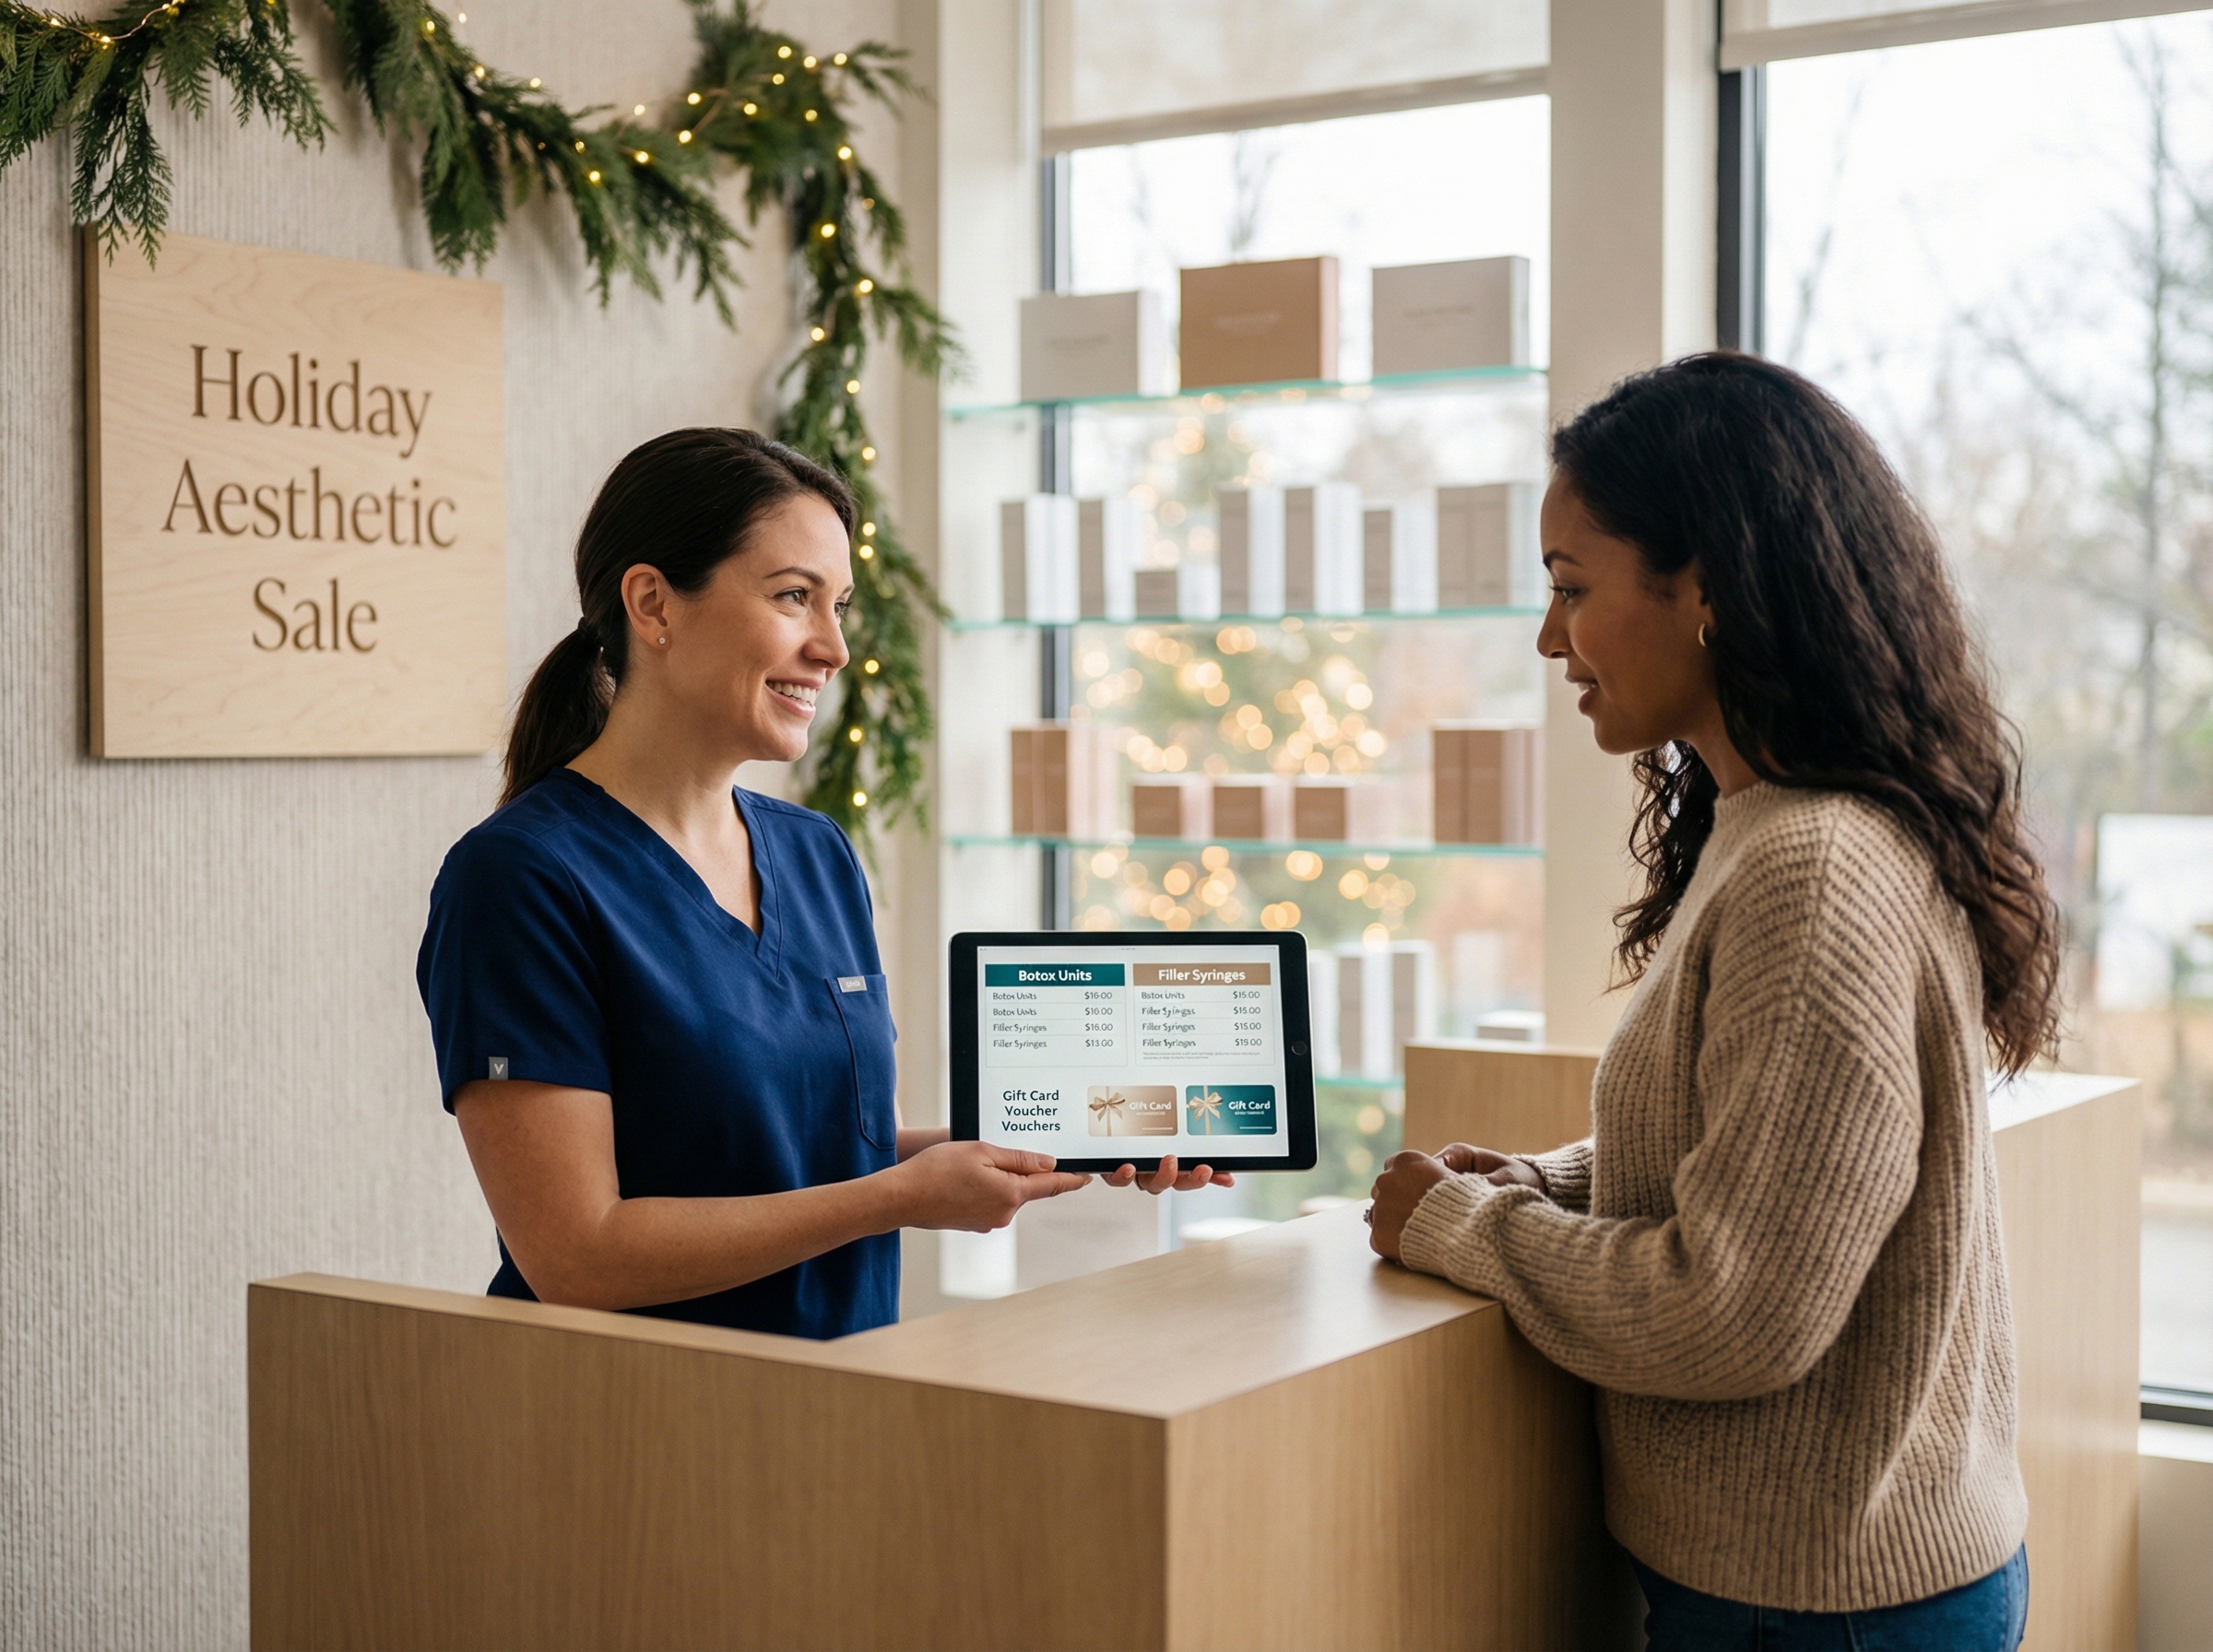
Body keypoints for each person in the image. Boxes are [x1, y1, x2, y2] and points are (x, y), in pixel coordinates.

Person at [1367, 355, 2052, 1650]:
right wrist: (1548, 1183)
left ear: (1709, 592)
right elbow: (1759, 1159)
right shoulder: (1776, 827)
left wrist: (1463, 1229)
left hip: (1824, 1610)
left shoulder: (1814, 869)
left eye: (1573, 588)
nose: (1547, 637)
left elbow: (1734, 1309)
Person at [418, 429, 1225, 1340]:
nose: (834, 647)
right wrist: (893, 1199)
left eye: (838, 604)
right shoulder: (520, 880)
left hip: (833, 1414)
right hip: (630, 1432)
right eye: (795, 597)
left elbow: (839, 1157)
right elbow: (575, 1254)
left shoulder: (816, 855)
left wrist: (1061, 1140)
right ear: (652, 604)